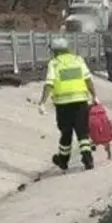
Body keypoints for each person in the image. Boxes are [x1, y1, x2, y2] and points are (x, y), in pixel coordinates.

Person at [37, 37, 98, 171]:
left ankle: (63, 161)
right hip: (81, 101)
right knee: (83, 132)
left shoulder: (54, 63)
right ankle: (88, 159)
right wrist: (94, 96)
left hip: (63, 105)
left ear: (55, 51)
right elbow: (88, 79)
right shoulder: (78, 60)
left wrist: (42, 102)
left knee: (66, 133)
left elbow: (49, 84)